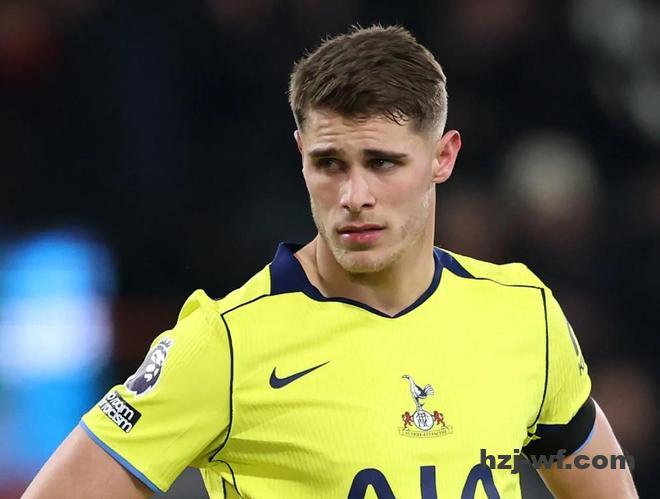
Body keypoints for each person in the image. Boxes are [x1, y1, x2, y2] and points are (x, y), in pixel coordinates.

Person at [22, 25, 637, 499]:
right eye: (330, 163)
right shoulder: (225, 344)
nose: (354, 195)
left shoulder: (523, 314)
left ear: (443, 157)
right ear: (301, 156)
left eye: (383, 162)